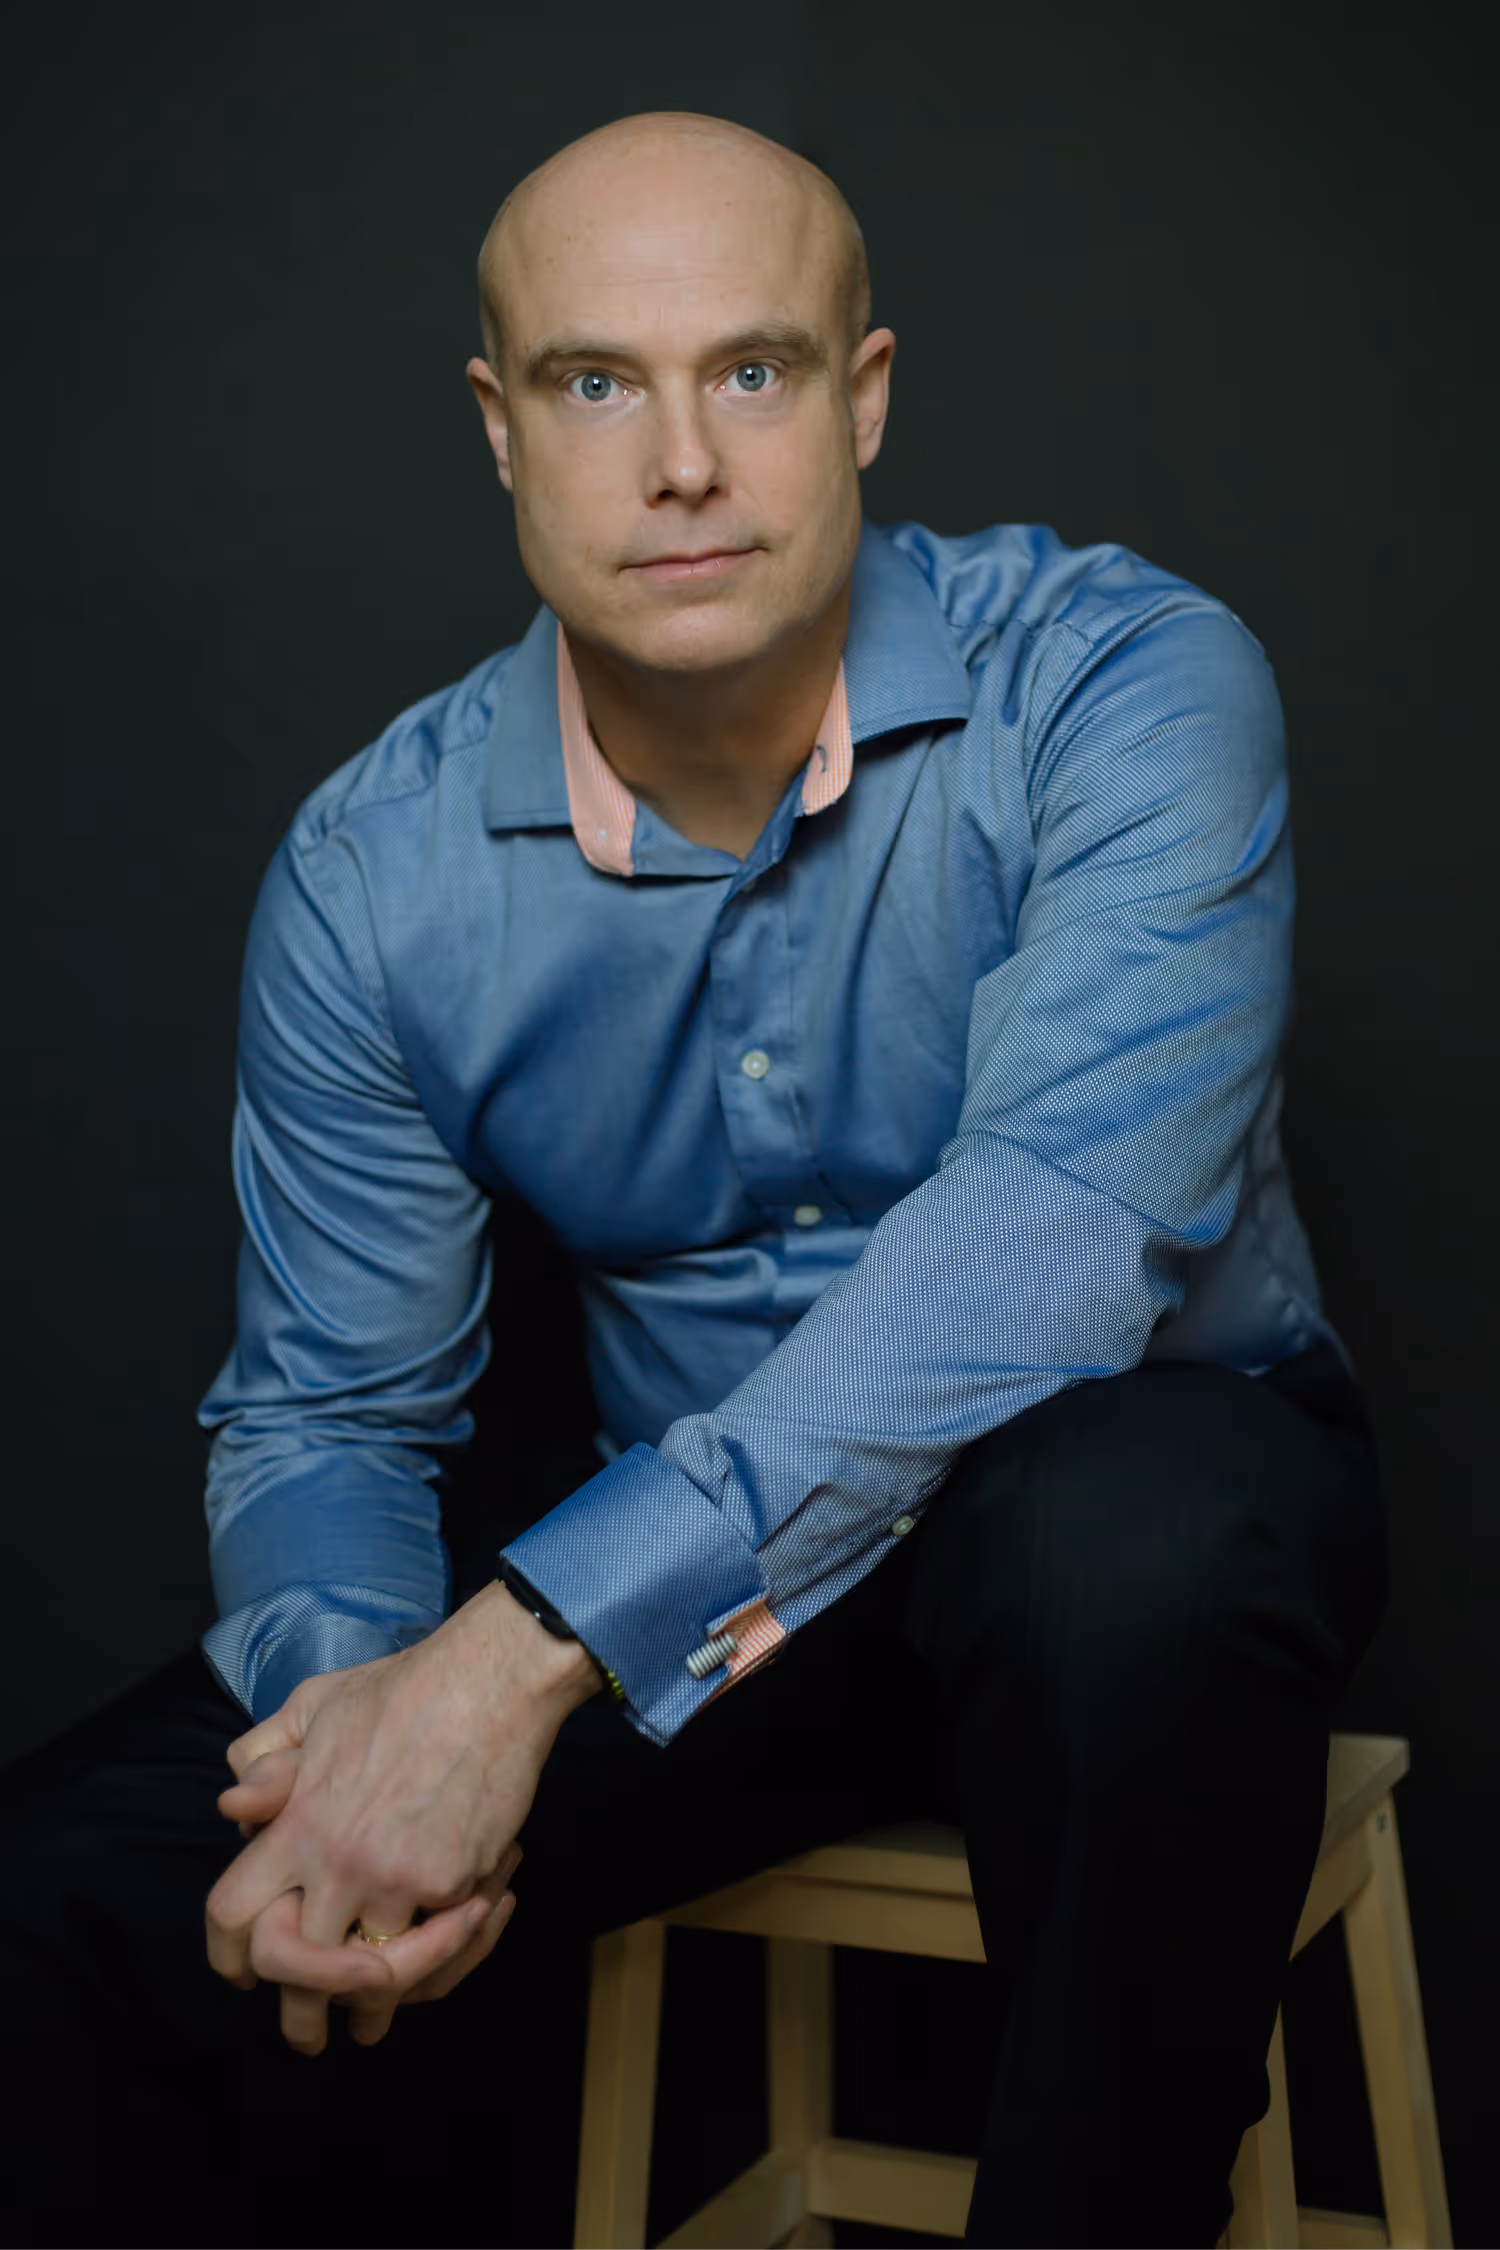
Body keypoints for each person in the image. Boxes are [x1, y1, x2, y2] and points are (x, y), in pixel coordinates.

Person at [1, 110, 1386, 2249]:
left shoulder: (1123, 682)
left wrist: (518, 1658)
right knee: (76, 1888)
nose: (680, 462)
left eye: (749, 370)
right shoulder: (374, 877)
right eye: (592, 384)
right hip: (709, 1621)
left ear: (866, 396)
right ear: (498, 428)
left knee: (1130, 1532)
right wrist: (364, 1731)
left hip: (1136, 1552)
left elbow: (1061, 1233)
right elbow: (330, 1415)